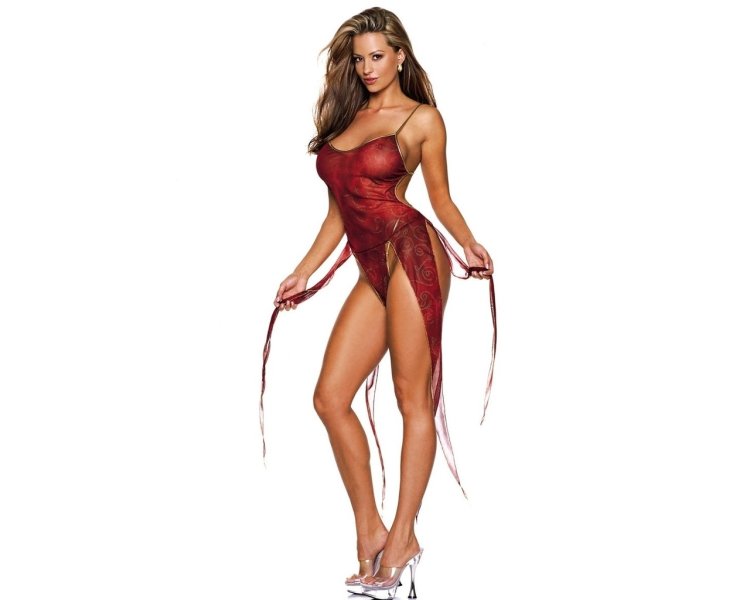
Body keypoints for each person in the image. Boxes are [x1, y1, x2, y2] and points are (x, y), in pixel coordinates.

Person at [260, 7, 496, 598]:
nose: (367, 68)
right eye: (359, 58)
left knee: (411, 399)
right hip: (371, 264)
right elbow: (338, 214)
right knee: (329, 397)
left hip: (413, 252)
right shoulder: (348, 119)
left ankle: (403, 539)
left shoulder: (422, 119)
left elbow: (439, 198)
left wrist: (469, 243)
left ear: (399, 56)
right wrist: (302, 272)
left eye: (377, 56)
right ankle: (370, 529)